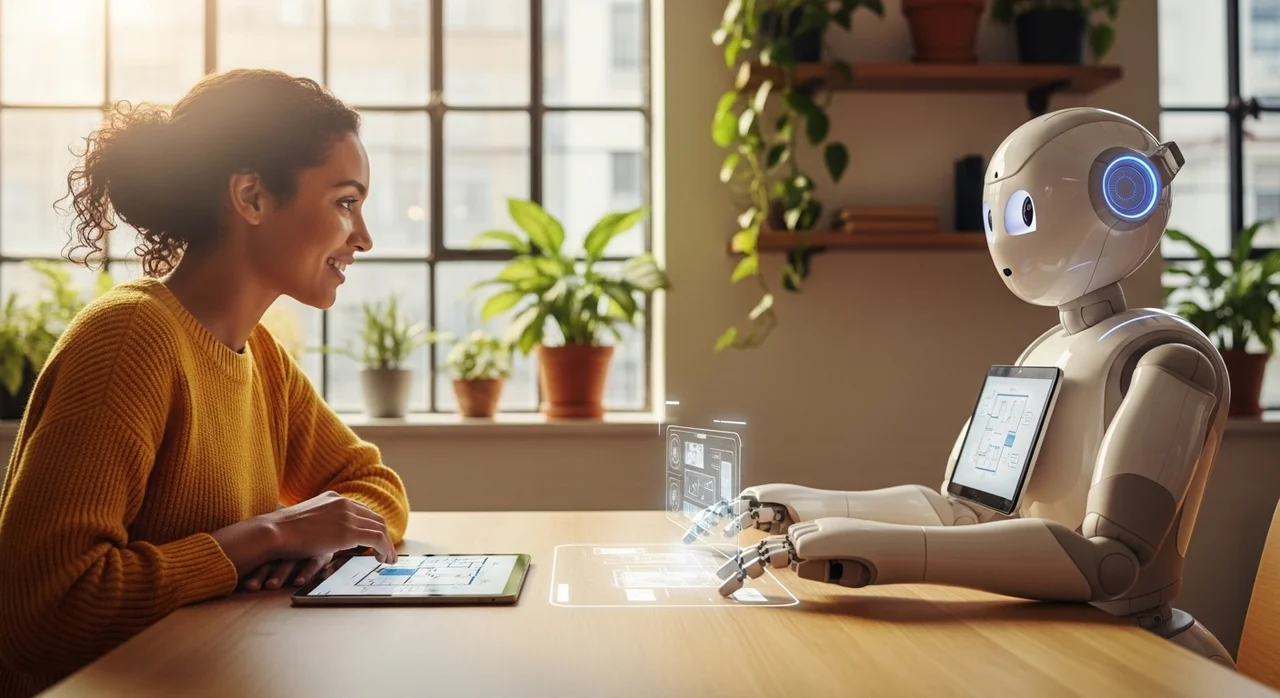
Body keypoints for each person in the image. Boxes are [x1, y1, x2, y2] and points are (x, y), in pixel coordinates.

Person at [0, 69, 410, 698]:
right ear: (251, 197)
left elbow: (371, 486)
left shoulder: (258, 353)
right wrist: (266, 536)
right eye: (345, 202)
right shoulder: (129, 340)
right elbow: (44, 610)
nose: (363, 237)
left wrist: (311, 550)